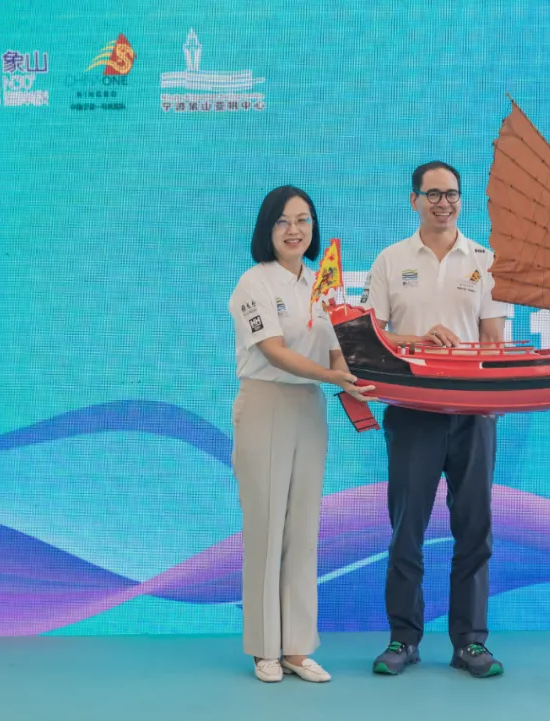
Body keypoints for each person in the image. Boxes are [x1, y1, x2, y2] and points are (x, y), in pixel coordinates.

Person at [360, 161, 508, 678]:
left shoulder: (484, 260)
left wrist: (487, 389)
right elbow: (371, 337)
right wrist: (417, 342)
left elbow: (493, 339)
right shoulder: (391, 260)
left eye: (452, 194)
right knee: (407, 529)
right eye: (433, 194)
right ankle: (403, 639)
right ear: (414, 200)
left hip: (473, 411)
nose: (444, 203)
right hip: (413, 410)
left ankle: (470, 642)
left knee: (475, 528)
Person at [228, 185, 373, 684]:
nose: (295, 230)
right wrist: (333, 376)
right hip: (266, 403)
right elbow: (273, 350)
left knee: (304, 530)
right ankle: (263, 648)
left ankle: (296, 647)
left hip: (310, 407)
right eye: (283, 221)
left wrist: (360, 372)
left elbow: (338, 349)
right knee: (266, 528)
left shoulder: (320, 285)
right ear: (266, 228)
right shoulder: (253, 283)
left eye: (304, 220)